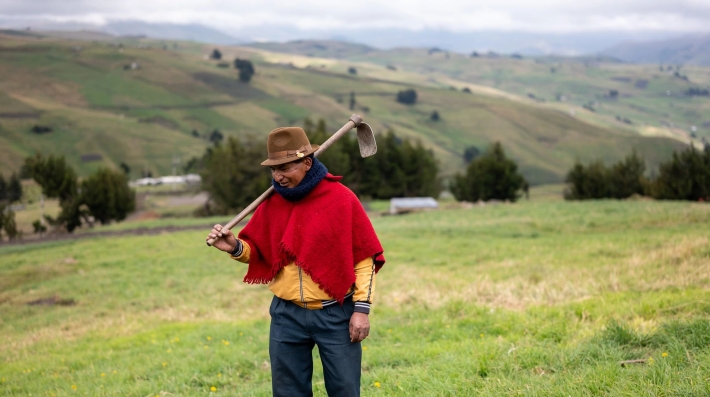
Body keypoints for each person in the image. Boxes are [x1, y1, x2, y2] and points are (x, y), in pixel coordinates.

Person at [207, 126, 385, 397]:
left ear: (307, 163)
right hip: (286, 315)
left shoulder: (341, 200)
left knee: (345, 390)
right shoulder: (273, 202)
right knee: (288, 391)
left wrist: (361, 310)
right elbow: (260, 254)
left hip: (335, 313)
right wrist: (233, 246)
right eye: (274, 170)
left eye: (286, 169)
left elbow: (364, 259)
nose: (278, 177)